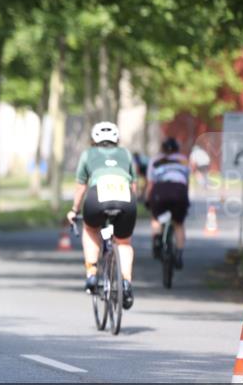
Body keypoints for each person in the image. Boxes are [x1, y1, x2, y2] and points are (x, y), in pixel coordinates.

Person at [66, 122, 138, 309]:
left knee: (90, 229)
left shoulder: (87, 154)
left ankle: (91, 273)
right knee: (123, 242)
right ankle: (126, 282)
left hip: (97, 195)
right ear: (116, 139)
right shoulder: (126, 154)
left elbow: (81, 186)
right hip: (125, 197)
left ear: (94, 140)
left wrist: (74, 210)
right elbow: (134, 186)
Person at [146, 137, 191, 269]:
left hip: (161, 190)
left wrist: (148, 200)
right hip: (179, 190)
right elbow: (185, 182)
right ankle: (179, 254)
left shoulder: (155, 160)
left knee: (156, 217)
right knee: (179, 224)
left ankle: (157, 240)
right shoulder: (183, 160)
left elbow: (150, 183)